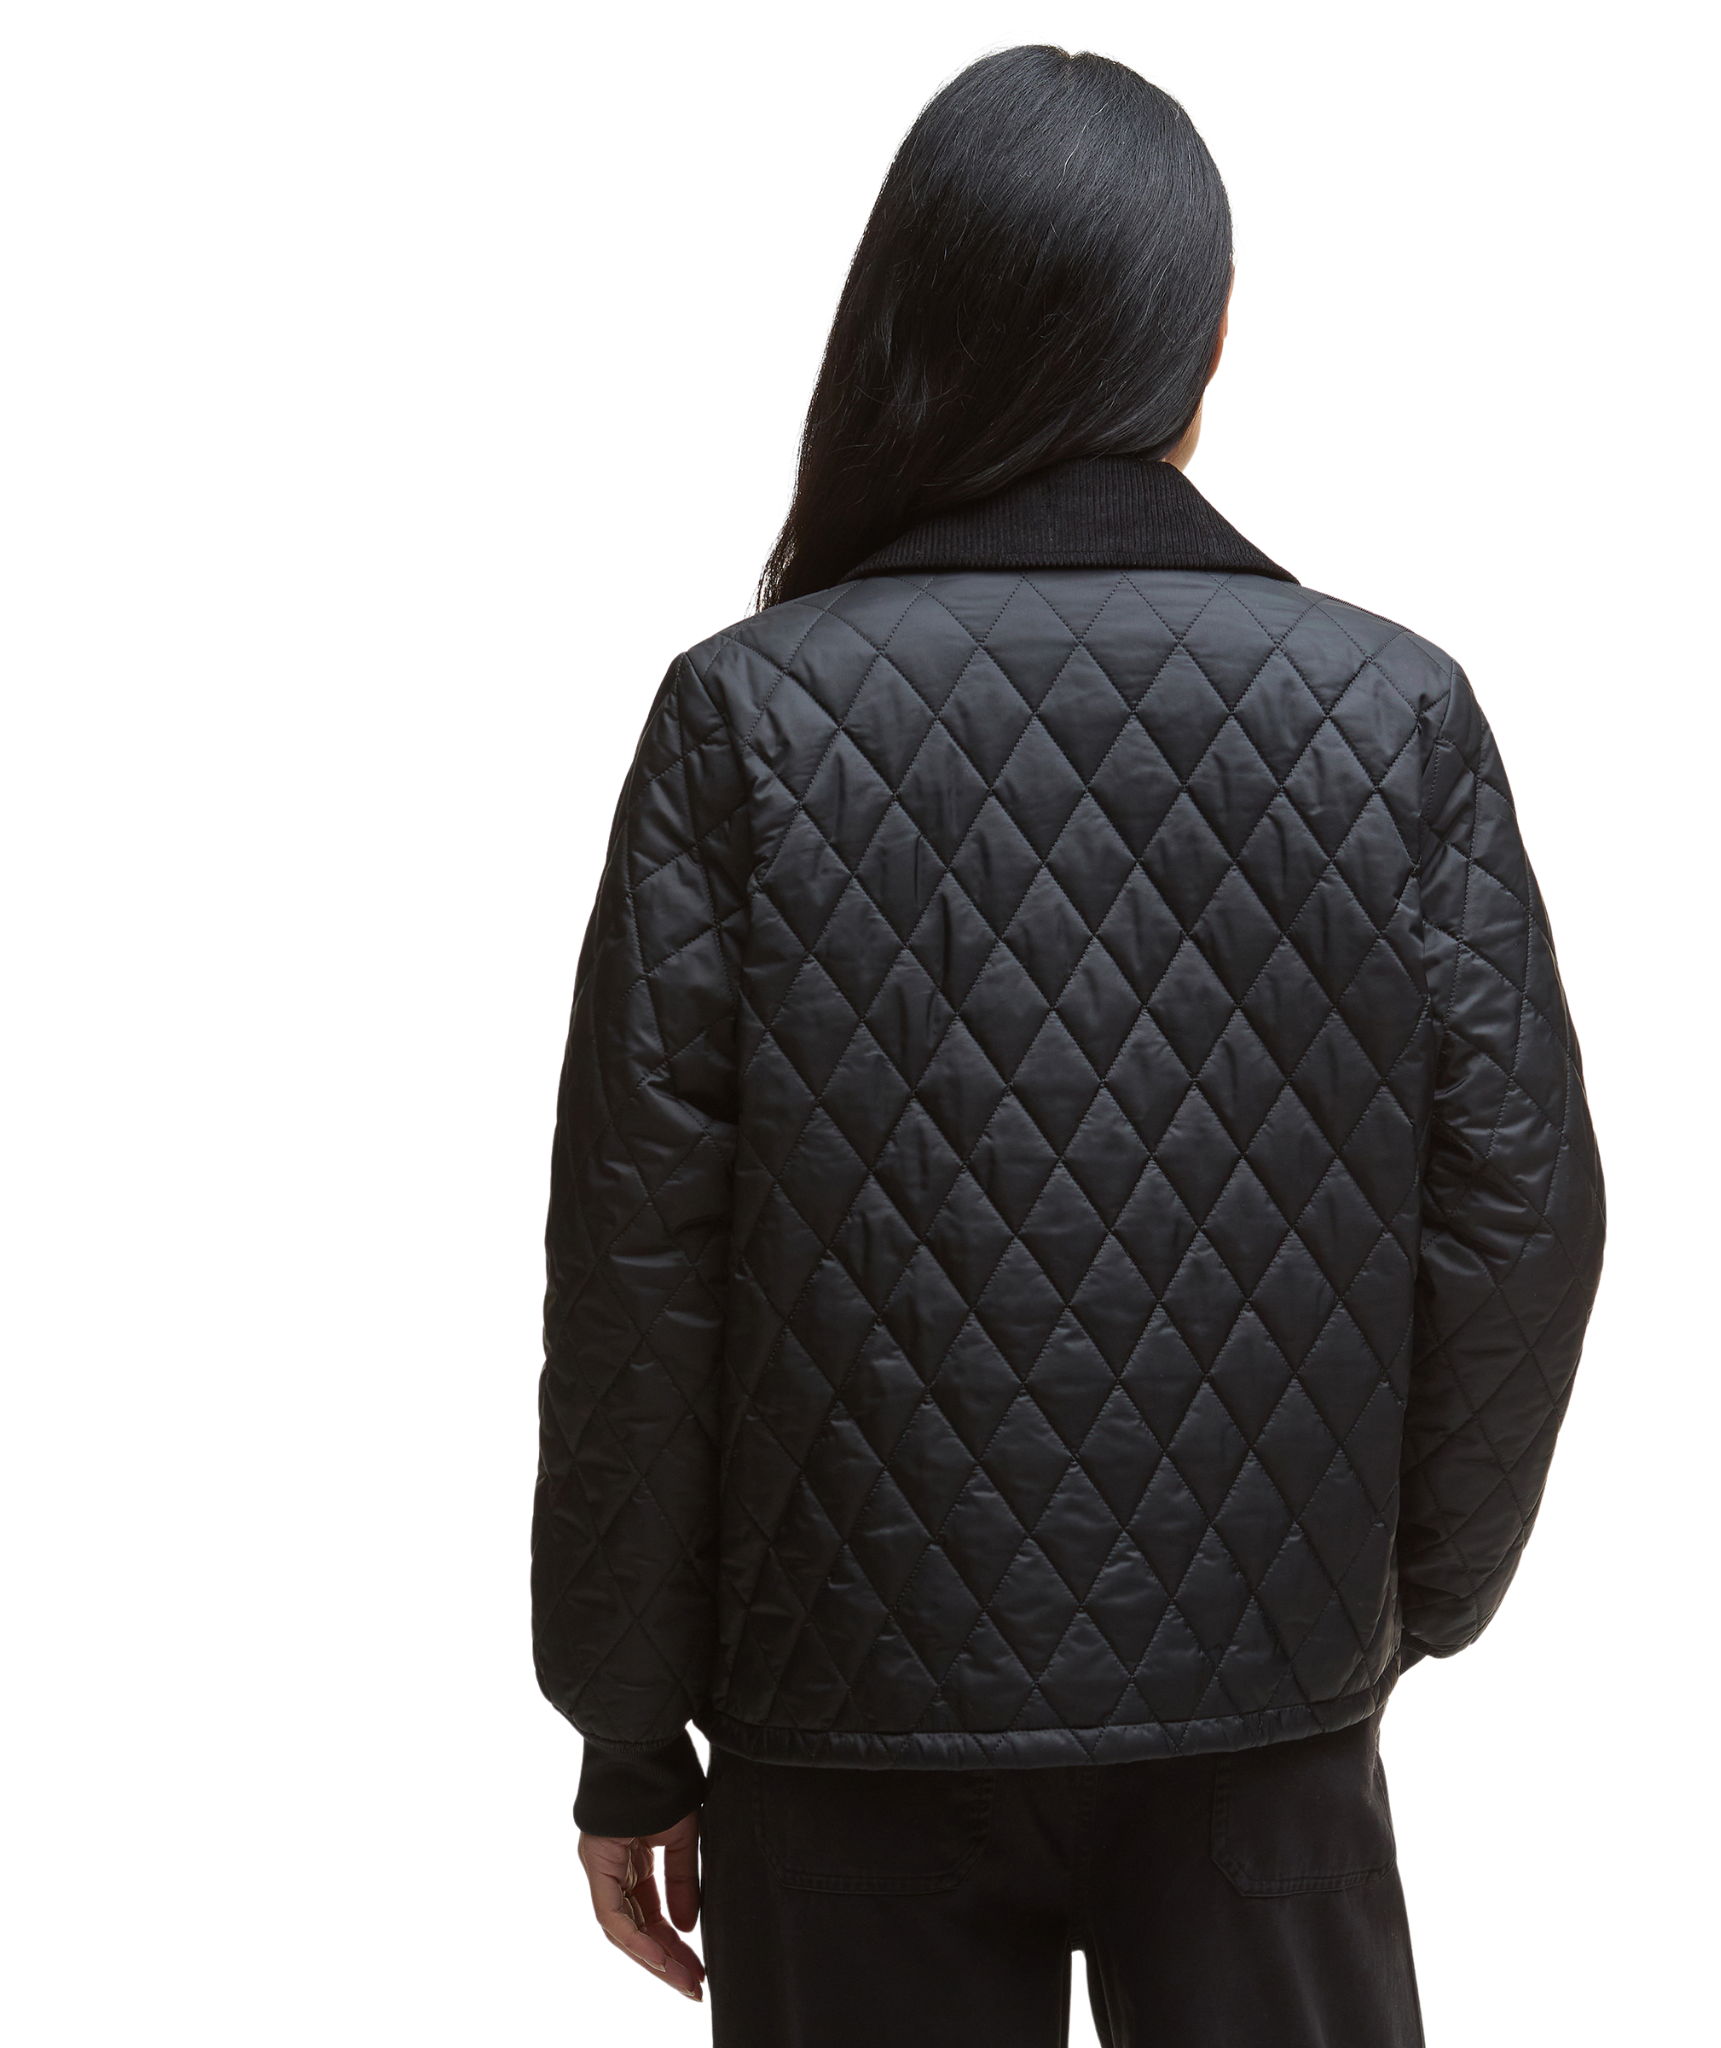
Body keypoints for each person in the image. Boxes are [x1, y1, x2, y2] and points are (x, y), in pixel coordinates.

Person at [532, 43, 1603, 2048]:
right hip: (1261, 1711)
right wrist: (1386, 1605)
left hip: (840, 1721)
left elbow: (637, 1266)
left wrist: (626, 1723)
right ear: (1202, 338)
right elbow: (1519, 1225)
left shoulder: (746, 721)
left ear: (908, 326)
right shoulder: (1391, 718)